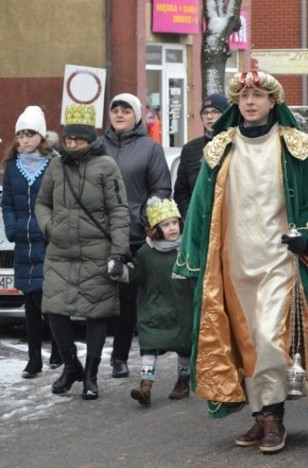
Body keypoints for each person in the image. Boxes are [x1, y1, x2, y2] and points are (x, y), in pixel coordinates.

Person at [173, 71, 308, 453]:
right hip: (233, 261)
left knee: (269, 339)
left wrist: (305, 236)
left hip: (280, 259)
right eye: (243, 96)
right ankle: (260, 417)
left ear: (273, 101)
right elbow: (200, 211)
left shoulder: (295, 146)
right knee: (245, 342)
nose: (250, 102)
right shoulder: (220, 147)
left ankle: (274, 418)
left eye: (258, 95)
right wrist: (191, 258)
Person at [35, 104, 130, 400]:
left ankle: (91, 375)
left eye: (78, 139)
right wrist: (50, 227)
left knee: (97, 313)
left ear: (90, 139)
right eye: (68, 139)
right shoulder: (55, 165)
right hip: (60, 251)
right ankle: (71, 365)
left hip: (96, 251)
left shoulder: (106, 166)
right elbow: (42, 203)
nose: (72, 143)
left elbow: (119, 210)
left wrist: (117, 251)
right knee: (54, 310)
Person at [103, 93, 172, 378]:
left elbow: (161, 189)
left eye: (126, 111)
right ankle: (86, 359)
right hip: (99, 233)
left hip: (133, 234)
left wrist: (143, 216)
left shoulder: (149, 149)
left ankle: (119, 357)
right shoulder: (98, 147)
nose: (119, 115)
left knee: (126, 299)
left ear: (136, 116)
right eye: (115, 110)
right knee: (96, 297)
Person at [108, 197, 194, 406]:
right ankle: (145, 384)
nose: (172, 228)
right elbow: (136, 275)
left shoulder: (188, 250)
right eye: (166, 224)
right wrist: (121, 271)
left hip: (182, 307)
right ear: (155, 229)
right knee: (149, 344)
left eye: (174, 222)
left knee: (184, 346)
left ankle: (183, 381)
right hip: (154, 307)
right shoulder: (147, 253)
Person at [1, 106, 61, 378]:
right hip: (23, 245)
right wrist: (12, 229)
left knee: (47, 299)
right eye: (20, 135)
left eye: (30, 134)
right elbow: (8, 204)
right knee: (30, 302)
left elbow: (58, 201)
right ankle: (34, 358)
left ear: (41, 136)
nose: (24, 140)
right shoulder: (12, 168)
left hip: (47, 242)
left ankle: (60, 350)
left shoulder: (53, 165)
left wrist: (48, 227)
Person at [174, 93, 229, 217]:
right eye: (205, 113)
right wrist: (190, 215)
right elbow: (181, 192)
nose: (209, 116)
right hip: (198, 221)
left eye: (215, 112)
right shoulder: (190, 149)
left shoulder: (235, 144)